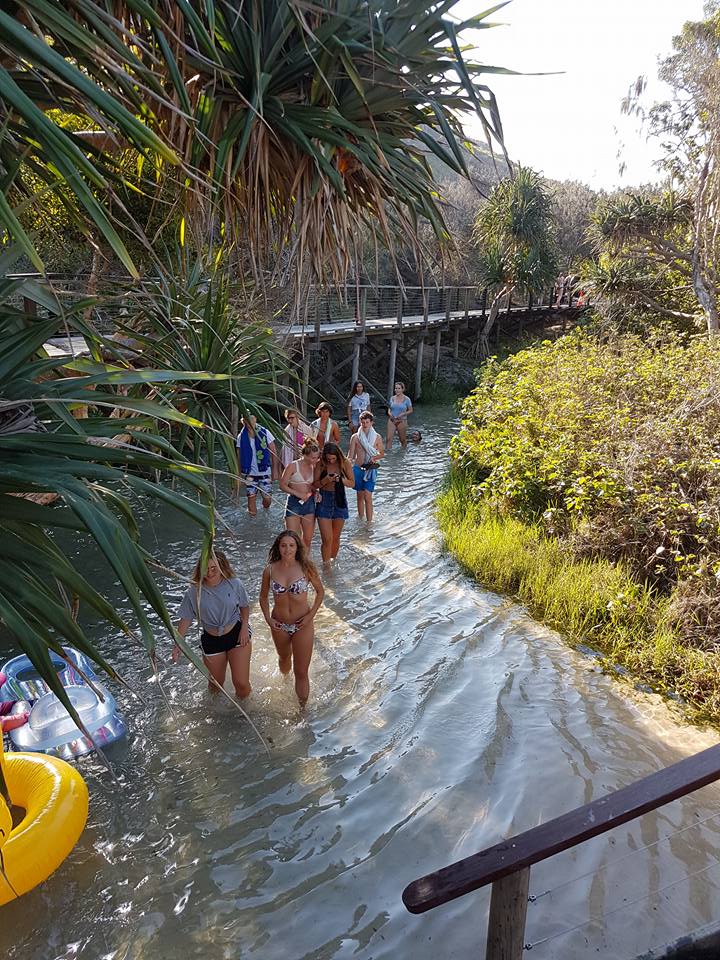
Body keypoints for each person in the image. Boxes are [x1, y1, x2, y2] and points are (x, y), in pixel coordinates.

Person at [172, 550, 252, 699]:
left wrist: (244, 628)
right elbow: (186, 619)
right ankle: (216, 716)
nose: (209, 573)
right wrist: (178, 645)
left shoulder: (234, 584)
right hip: (212, 639)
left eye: (213, 568)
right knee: (216, 685)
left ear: (221, 567)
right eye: (205, 569)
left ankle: (245, 714)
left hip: (236, 633)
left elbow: (244, 606)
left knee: (241, 683)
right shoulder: (194, 591)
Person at [259, 530, 324, 704]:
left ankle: (303, 711)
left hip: (303, 623)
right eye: (283, 545)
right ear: (278, 548)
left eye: (291, 545)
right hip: (279, 624)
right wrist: (268, 618)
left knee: (301, 672)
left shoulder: (306, 568)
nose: (287, 549)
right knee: (284, 659)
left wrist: (310, 616)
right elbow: (263, 597)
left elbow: (320, 592)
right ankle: (285, 683)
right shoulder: (270, 571)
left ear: (297, 547)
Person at [313, 442, 355, 563]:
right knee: (327, 539)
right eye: (328, 458)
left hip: (339, 498)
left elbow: (352, 483)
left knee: (335, 537)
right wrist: (325, 480)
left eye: (333, 458)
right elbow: (314, 484)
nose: (331, 461)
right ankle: (326, 565)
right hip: (324, 498)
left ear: (338, 455)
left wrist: (341, 480)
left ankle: (332, 561)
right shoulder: (320, 464)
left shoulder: (344, 463)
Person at [279, 438, 320, 549]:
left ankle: (305, 565)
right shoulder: (293, 466)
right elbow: (282, 485)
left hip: (309, 504)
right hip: (293, 503)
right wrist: (297, 493)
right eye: (313, 457)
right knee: (293, 540)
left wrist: (316, 492)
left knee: (307, 540)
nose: (316, 460)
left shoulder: (315, 466)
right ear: (305, 455)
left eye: (317, 457)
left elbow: (314, 485)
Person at [237, 414, 278, 515]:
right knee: (251, 498)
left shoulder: (265, 433)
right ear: (244, 421)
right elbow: (238, 457)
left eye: (252, 418)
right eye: (247, 419)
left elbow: (274, 452)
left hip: (265, 471)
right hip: (249, 473)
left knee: (267, 500)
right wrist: (238, 475)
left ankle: (265, 512)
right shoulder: (241, 437)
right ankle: (253, 525)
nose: (250, 421)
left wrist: (275, 471)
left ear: (255, 419)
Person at [348, 410, 384, 522]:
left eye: (367, 422)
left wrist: (374, 458)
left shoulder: (377, 437)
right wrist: (346, 466)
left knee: (368, 496)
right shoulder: (355, 437)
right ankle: (360, 520)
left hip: (371, 469)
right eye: (362, 422)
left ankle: (369, 523)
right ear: (360, 422)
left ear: (371, 422)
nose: (364, 425)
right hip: (358, 469)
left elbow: (382, 454)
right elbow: (351, 456)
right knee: (359, 496)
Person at [387, 381, 413, 448]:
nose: (397, 390)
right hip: (392, 420)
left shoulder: (407, 399)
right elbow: (389, 409)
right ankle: (388, 456)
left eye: (399, 388)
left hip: (402, 420)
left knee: (402, 440)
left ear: (402, 389)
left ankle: (403, 454)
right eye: (396, 388)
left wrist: (403, 414)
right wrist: (389, 413)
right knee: (388, 439)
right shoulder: (392, 398)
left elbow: (411, 410)